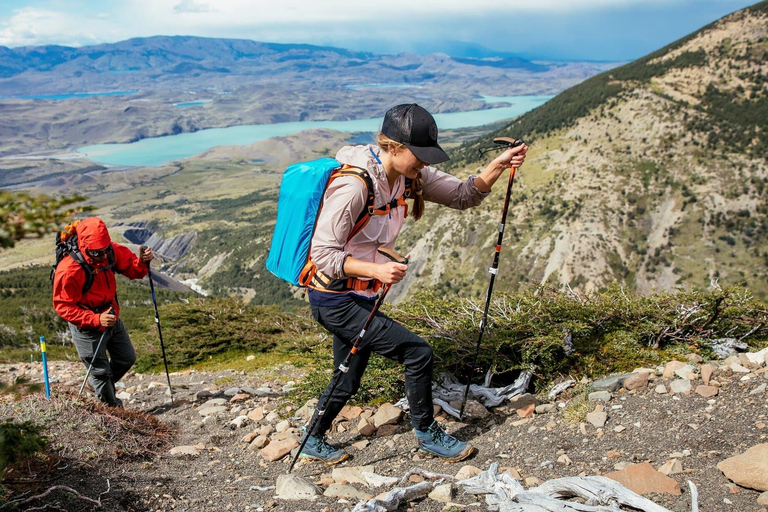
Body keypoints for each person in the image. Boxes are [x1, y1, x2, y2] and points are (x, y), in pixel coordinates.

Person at [300, 103, 528, 464]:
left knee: (348, 377)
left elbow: (463, 195)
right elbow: (323, 255)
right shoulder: (353, 186)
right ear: (392, 147)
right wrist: (376, 271)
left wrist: (499, 164)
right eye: (418, 155)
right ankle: (426, 434)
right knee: (417, 352)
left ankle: (312, 438)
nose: (423, 162)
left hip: (361, 297)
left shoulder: (408, 176)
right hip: (335, 299)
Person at [52, 217, 153, 407]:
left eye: (105, 250)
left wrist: (142, 262)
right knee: (100, 371)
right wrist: (95, 319)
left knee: (126, 358)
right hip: (86, 324)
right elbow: (63, 306)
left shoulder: (110, 251)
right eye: (97, 253)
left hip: (110, 315)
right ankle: (113, 410)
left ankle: (98, 386)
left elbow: (134, 271)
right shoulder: (69, 269)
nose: (103, 256)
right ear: (84, 247)